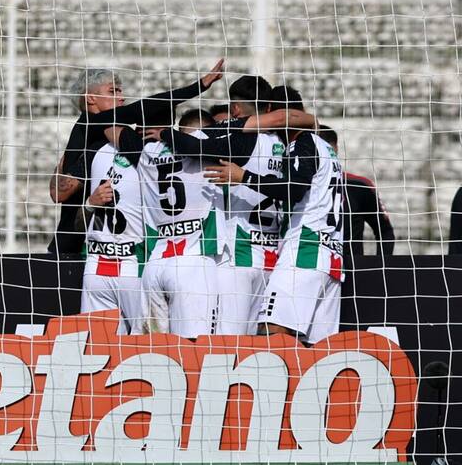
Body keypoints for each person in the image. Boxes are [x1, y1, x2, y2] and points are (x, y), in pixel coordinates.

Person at [144, 76, 317, 335]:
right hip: (274, 257)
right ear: (270, 109)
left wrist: (168, 134)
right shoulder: (289, 144)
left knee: (227, 346)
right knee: (261, 347)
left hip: (238, 256)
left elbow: (194, 144)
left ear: (236, 109)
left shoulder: (235, 138)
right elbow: (306, 121)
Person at [206, 86, 343, 345]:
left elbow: (294, 188)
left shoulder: (303, 142)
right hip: (330, 256)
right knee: (319, 349)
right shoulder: (327, 148)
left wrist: (244, 177)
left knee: (272, 330)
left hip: (305, 252)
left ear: (273, 112)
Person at [48, 60, 225, 254]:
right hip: (74, 246)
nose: (121, 97)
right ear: (91, 98)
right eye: (113, 91)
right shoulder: (95, 125)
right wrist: (199, 86)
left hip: (97, 245)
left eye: (120, 91)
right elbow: (59, 193)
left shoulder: (90, 128)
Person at [106, 107, 225, 337]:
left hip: (156, 263)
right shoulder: (209, 145)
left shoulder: (145, 150)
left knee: (151, 350)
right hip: (194, 262)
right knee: (195, 348)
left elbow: (104, 123)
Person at [77, 132, 145, 334]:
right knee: (97, 345)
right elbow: (76, 224)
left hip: (135, 266)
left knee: (143, 342)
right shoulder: (98, 152)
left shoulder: (145, 154)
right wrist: (90, 203)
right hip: (97, 265)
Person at [318, 126, 395, 256]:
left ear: (335, 149)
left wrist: (380, 269)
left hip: (351, 270)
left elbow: (385, 232)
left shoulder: (358, 186)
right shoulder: (295, 185)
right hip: (304, 266)